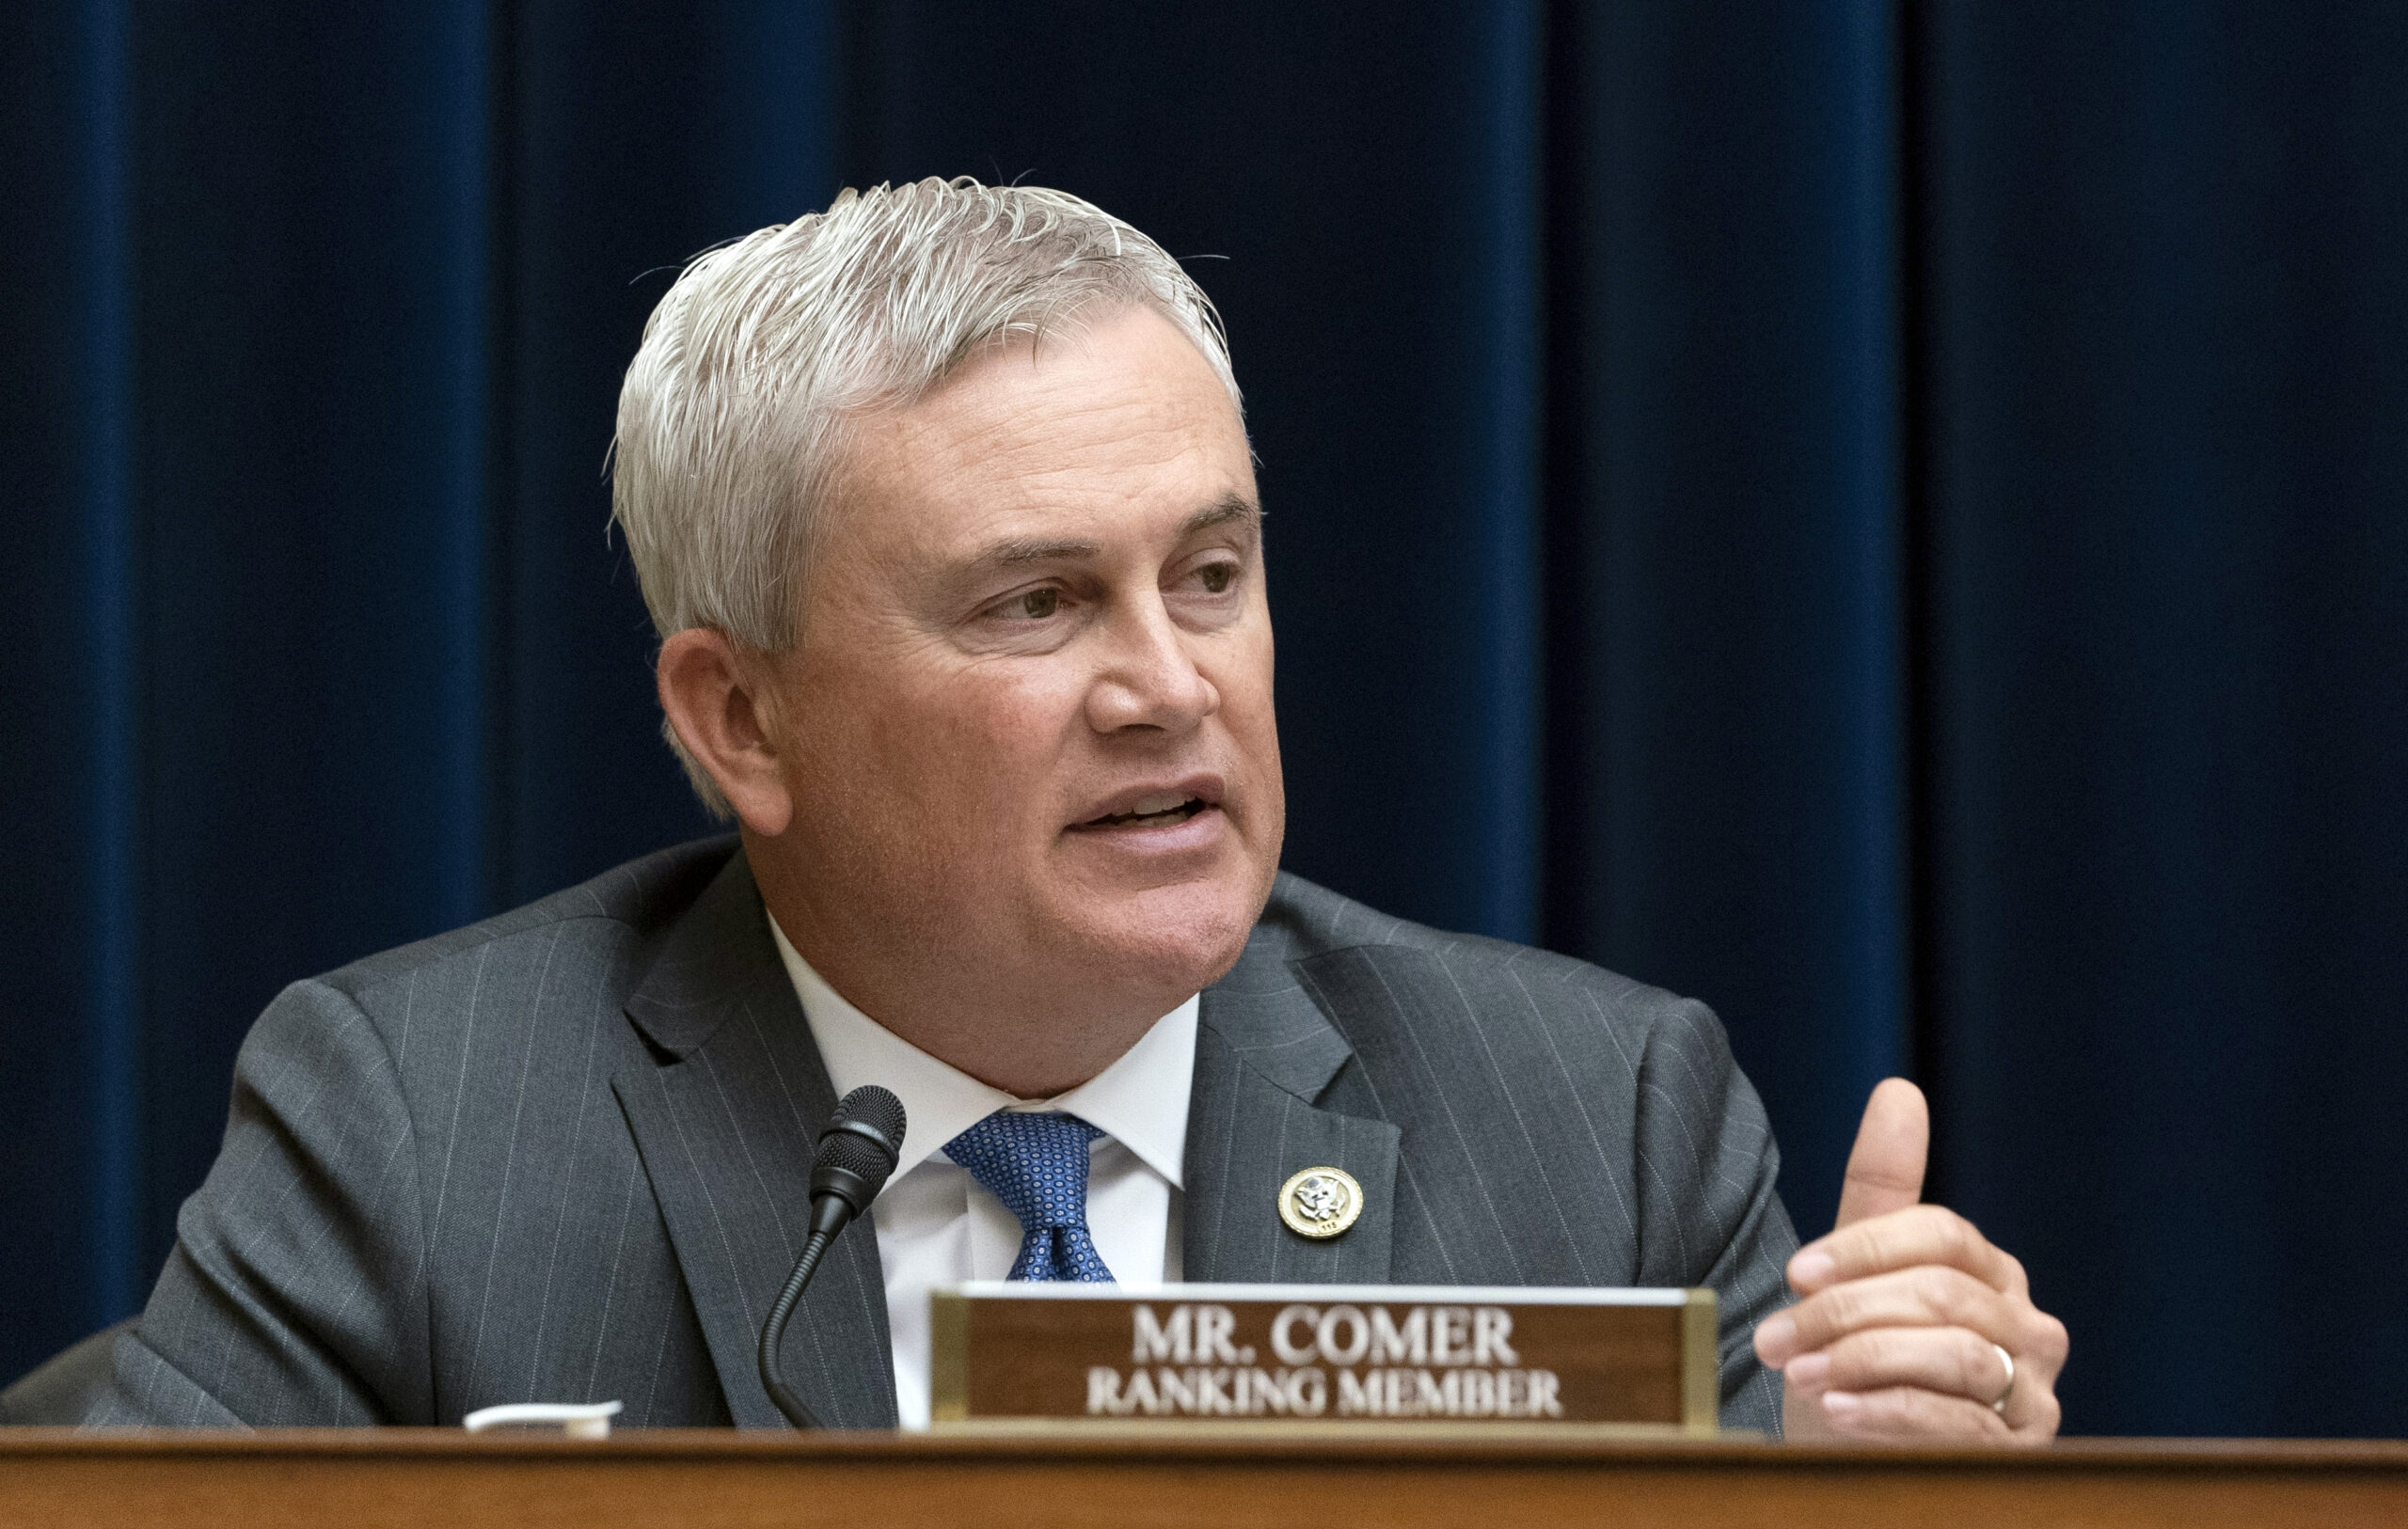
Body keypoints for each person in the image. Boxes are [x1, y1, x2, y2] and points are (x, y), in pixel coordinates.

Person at [87, 179, 2066, 1439]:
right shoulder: (421, 1132)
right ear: (741, 717)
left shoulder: (1594, 1124)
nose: (1168, 684)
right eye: (1034, 604)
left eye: (1209, 575)